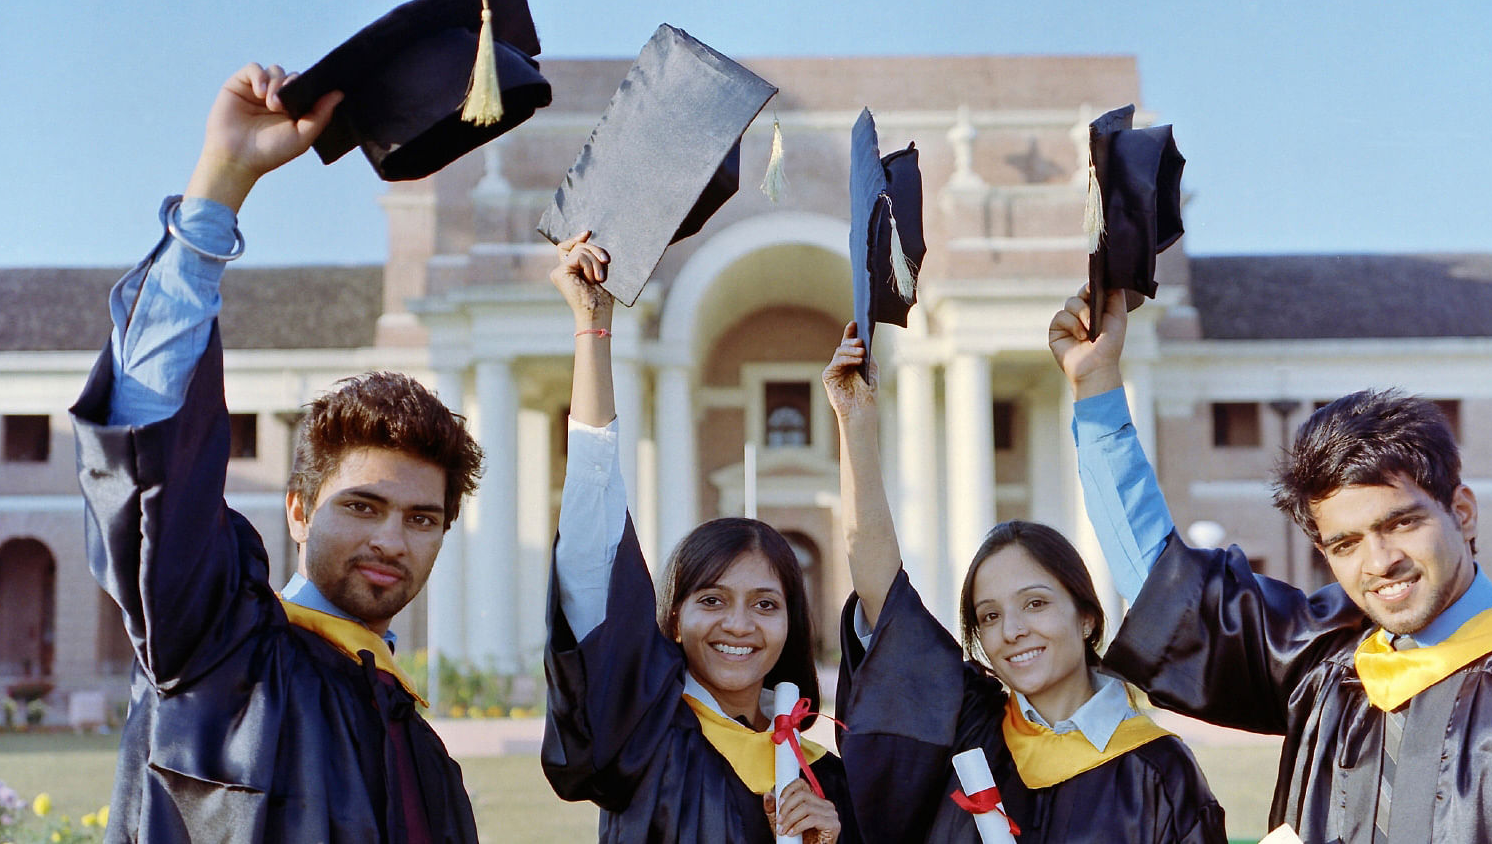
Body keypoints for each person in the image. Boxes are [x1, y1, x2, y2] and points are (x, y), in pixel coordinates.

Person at [73, 63, 484, 842]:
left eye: (421, 519)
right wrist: (222, 182)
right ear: (298, 510)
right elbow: (153, 471)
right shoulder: (218, 653)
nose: (390, 540)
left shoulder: (424, 753)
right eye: (362, 505)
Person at [1049, 288, 1492, 843]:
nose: (1381, 561)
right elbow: (1165, 589)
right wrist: (1097, 387)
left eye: (1401, 523)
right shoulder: (1323, 664)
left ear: (1462, 513)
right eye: (1346, 544)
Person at [822, 324, 1225, 843]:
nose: (1012, 630)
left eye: (1034, 604)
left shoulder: (1159, 771)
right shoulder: (968, 733)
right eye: (989, 616)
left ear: (1085, 616)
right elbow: (882, 589)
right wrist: (855, 424)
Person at [541, 235, 856, 843]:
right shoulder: (638, 733)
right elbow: (590, 554)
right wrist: (592, 333)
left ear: (793, 622)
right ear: (674, 617)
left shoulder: (822, 780)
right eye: (712, 600)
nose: (739, 624)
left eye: (766, 604)